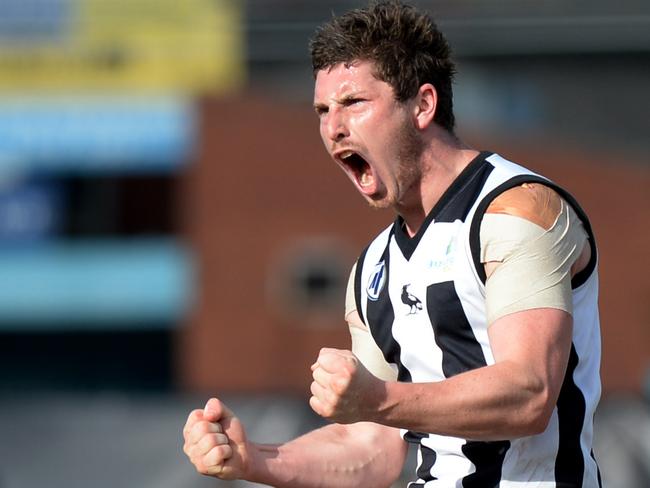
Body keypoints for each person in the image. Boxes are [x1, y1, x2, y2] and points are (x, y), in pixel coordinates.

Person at [182, 1, 602, 486]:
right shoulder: (373, 269)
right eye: (322, 110)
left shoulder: (518, 210)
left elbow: (529, 394)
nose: (332, 127)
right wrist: (253, 458)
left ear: (423, 105)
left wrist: (379, 399)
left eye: (353, 103)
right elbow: (371, 448)